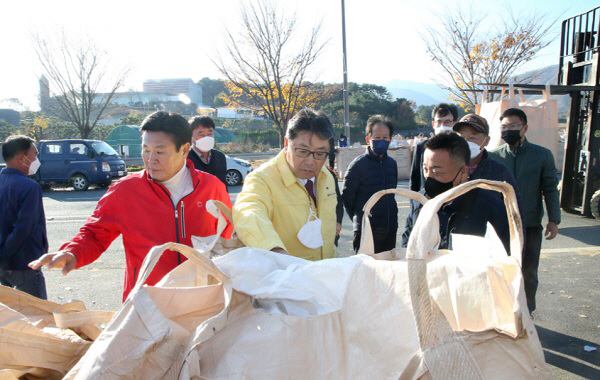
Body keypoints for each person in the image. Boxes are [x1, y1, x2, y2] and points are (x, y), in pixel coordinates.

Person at [29, 111, 233, 301]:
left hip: (202, 300)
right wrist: (73, 253)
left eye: (160, 152)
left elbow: (229, 240)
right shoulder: (125, 190)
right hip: (146, 302)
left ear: (185, 150)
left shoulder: (211, 188)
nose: (151, 159)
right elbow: (95, 233)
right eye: (146, 150)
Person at [233, 109, 337, 260]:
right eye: (302, 151)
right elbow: (248, 211)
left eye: (320, 154)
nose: (310, 161)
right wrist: (274, 250)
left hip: (327, 272)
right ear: (286, 143)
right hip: (286, 275)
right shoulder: (262, 179)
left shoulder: (325, 176)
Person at [488, 107, 561, 313]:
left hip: (529, 225)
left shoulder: (542, 155)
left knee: (528, 273)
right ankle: (502, 311)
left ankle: (527, 313)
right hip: (499, 226)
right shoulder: (493, 157)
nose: (508, 130)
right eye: (504, 127)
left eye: (514, 126)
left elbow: (549, 188)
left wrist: (554, 219)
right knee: (499, 271)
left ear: (525, 127)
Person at [401, 132, 510, 253]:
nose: (429, 177)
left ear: (463, 172)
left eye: (437, 172)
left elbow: (504, 259)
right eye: (425, 169)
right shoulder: (420, 201)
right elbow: (407, 244)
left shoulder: (490, 207)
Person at [0, 136, 48, 299]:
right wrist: (5, 256)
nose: (36, 160)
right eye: (34, 155)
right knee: (37, 317)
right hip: (24, 263)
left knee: (11, 320)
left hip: (3, 265)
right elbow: (24, 228)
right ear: (22, 158)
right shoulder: (29, 186)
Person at [342, 115, 398, 253]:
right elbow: (348, 198)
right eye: (377, 137)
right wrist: (360, 218)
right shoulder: (357, 165)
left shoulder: (392, 164)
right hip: (366, 229)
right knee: (366, 269)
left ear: (390, 139)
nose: (381, 141)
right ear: (368, 139)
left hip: (390, 227)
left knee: (388, 268)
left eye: (385, 138)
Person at [452, 113, 524, 216]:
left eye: (473, 137)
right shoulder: (446, 168)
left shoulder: (500, 172)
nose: (466, 142)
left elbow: (515, 209)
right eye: (461, 138)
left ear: (486, 141)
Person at [409, 103, 459, 192]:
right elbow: (415, 178)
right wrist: (414, 203)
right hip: (426, 200)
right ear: (433, 124)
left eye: (447, 122)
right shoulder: (422, 147)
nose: (442, 125)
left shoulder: (460, 148)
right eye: (439, 122)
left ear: (455, 123)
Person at [188, 116, 228, 189]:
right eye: (201, 134)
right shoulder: (184, 158)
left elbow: (223, 186)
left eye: (210, 134)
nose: (206, 138)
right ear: (191, 136)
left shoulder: (220, 157)